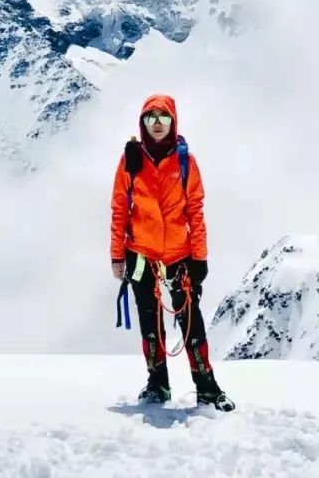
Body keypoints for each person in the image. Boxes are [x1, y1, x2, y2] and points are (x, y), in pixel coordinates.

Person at [110, 93, 235, 410]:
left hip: (180, 256)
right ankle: (158, 384)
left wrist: (200, 257)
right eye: (150, 118)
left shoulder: (185, 162)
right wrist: (117, 256)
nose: (156, 125)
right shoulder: (130, 160)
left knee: (192, 324)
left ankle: (207, 387)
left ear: (173, 121)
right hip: (140, 255)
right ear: (142, 122)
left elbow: (196, 212)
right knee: (150, 326)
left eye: (162, 118)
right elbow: (119, 210)